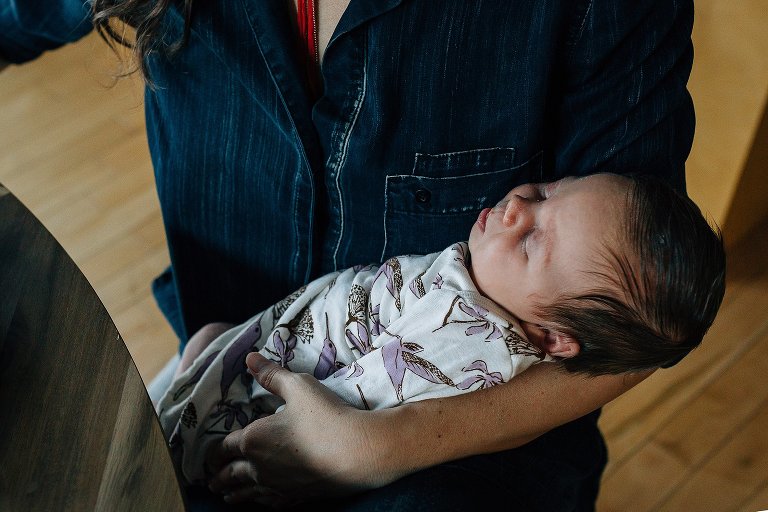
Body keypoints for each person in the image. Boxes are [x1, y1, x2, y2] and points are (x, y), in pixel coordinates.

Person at [0, 1, 698, 509]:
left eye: (542, 219)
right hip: (229, 366)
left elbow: (644, 325)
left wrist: (380, 448)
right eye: (536, 195)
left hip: (469, 448)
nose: (521, 207)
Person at [158, 173, 724, 492]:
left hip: (269, 398)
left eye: (531, 242)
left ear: (552, 338)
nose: (516, 207)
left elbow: (348, 407)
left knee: (177, 423)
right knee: (205, 341)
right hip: (283, 328)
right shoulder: (491, 286)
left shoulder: (463, 341)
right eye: (552, 191)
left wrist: (246, 394)